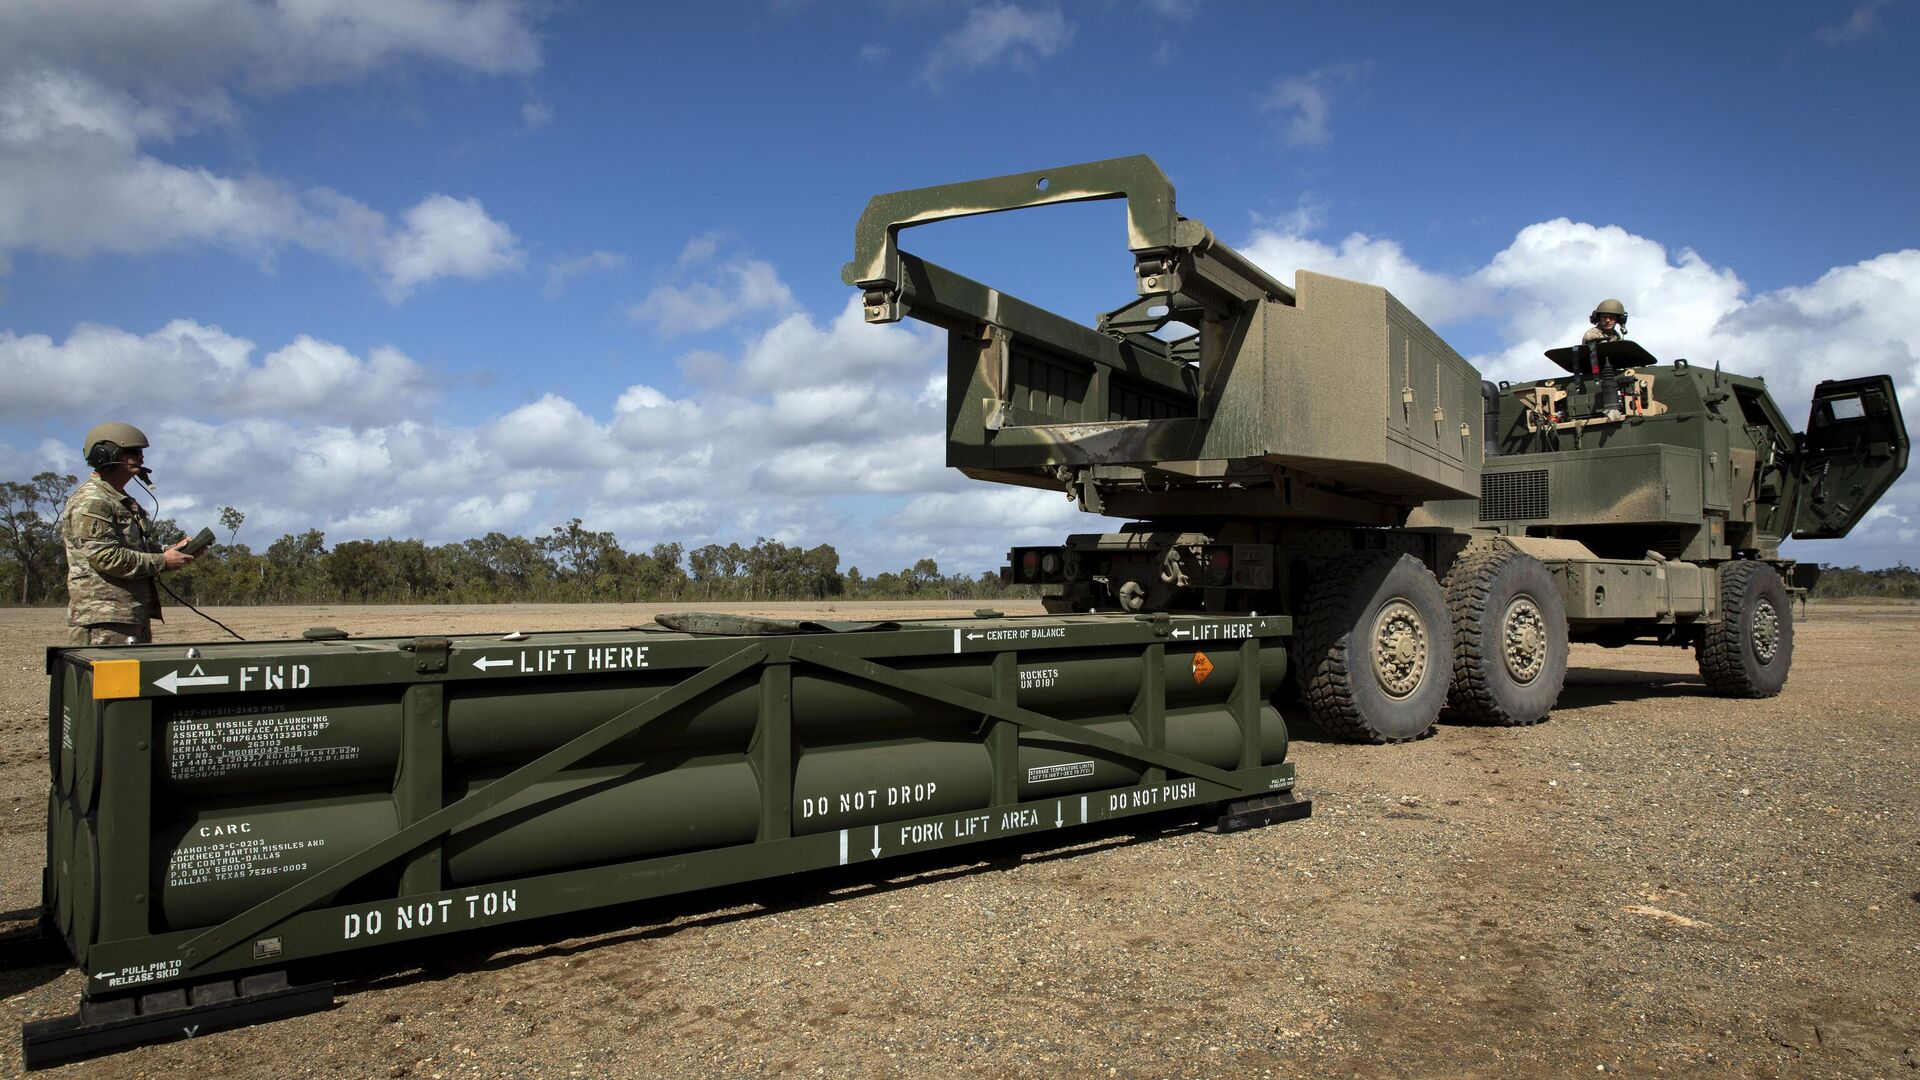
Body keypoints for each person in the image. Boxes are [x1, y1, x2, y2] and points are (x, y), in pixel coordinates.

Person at [59, 422, 196, 645]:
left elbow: (135, 548)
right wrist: (163, 561)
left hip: (128, 616)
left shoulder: (119, 500)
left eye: (141, 452)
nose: (141, 458)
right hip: (105, 619)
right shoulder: (93, 501)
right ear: (105, 455)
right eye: (133, 452)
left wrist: (170, 552)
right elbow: (107, 557)